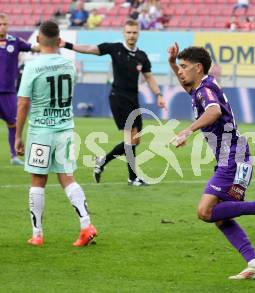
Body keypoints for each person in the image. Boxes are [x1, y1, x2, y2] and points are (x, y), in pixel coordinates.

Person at [168, 43, 255, 280]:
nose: (180, 72)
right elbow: (190, 88)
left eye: (184, 67)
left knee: (205, 212)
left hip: (233, 158)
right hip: (233, 158)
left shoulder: (205, 91)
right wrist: (172, 64)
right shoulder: (202, 86)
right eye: (179, 67)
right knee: (220, 217)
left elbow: (214, 112)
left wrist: (187, 131)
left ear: (198, 68)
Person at [15, 20, 97, 246]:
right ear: (59, 40)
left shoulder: (32, 66)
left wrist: (18, 135)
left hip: (41, 131)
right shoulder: (69, 65)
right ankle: (86, 225)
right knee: (68, 178)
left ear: (39, 40)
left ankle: (37, 234)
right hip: (64, 130)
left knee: (38, 181)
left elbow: (23, 103)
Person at [61, 19, 166, 186]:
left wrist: (159, 95)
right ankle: (133, 178)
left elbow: (149, 77)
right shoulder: (115, 48)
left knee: (135, 140)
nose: (131, 35)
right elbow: (90, 49)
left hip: (133, 98)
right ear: (123, 33)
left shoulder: (142, 56)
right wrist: (66, 44)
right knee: (129, 138)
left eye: (134, 32)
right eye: (128, 32)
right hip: (118, 97)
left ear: (138, 33)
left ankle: (103, 161)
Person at [0, 13, 39, 165]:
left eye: (4, 24)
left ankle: (14, 156)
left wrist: (44, 45)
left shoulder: (14, 41)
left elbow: (32, 48)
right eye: (0, 24)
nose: (2, 27)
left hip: (8, 92)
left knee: (14, 124)